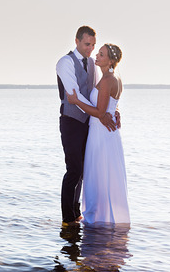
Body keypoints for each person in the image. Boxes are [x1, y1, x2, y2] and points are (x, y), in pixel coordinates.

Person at [56, 26, 118, 227]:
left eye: (93, 45)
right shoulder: (64, 62)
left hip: (89, 123)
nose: (90, 49)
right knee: (73, 169)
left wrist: (110, 110)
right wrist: (101, 113)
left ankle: (76, 213)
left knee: (83, 170)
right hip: (71, 121)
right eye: (86, 44)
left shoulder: (92, 64)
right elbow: (74, 95)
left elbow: (96, 92)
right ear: (76, 41)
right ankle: (67, 218)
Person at [67, 43, 130, 225]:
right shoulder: (112, 78)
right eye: (98, 53)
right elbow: (110, 106)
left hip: (101, 134)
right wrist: (115, 112)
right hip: (105, 133)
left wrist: (76, 100)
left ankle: (98, 219)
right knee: (102, 175)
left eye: (101, 54)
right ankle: (104, 216)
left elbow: (101, 113)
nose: (97, 55)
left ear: (110, 60)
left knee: (98, 175)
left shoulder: (108, 79)